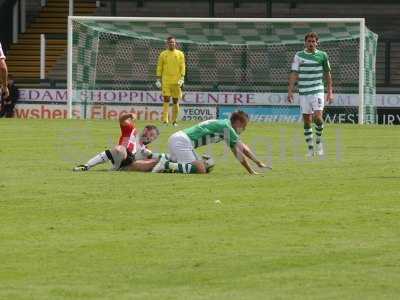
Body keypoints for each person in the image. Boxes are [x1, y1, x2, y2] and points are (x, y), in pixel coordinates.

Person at [152, 111, 267, 174]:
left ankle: (155, 157)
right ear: (237, 123)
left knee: (206, 166)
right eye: (244, 126)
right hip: (182, 141)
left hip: (180, 140)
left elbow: (238, 153)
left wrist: (251, 171)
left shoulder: (225, 128)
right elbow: (243, 148)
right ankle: (165, 164)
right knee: (200, 170)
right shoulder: (226, 127)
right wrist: (258, 162)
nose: (244, 129)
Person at [287, 32, 333, 157]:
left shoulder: (323, 55)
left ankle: (319, 143)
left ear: (317, 42)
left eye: (313, 41)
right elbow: (294, 73)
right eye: (309, 41)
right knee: (307, 121)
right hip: (303, 92)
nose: (311, 43)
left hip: (317, 90)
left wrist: (330, 92)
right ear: (305, 42)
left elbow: (328, 74)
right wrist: (290, 91)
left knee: (318, 118)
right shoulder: (298, 56)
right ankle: (310, 149)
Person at [73, 113, 161, 172]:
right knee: (120, 149)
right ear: (146, 130)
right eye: (152, 135)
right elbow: (121, 120)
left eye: (154, 138)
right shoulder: (131, 130)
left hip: (129, 164)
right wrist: (129, 115)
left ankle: (119, 169)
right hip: (120, 155)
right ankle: (86, 166)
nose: (151, 139)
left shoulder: (145, 150)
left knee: (153, 162)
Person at [156, 36, 186, 126]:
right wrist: (158, 78)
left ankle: (174, 121)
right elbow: (159, 66)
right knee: (166, 99)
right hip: (166, 81)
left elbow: (183, 66)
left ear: (175, 43)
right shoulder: (163, 54)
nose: (171, 43)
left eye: (173, 42)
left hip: (177, 81)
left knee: (175, 101)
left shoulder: (180, 54)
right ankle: (165, 120)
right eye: (170, 42)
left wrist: (182, 78)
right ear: (167, 43)